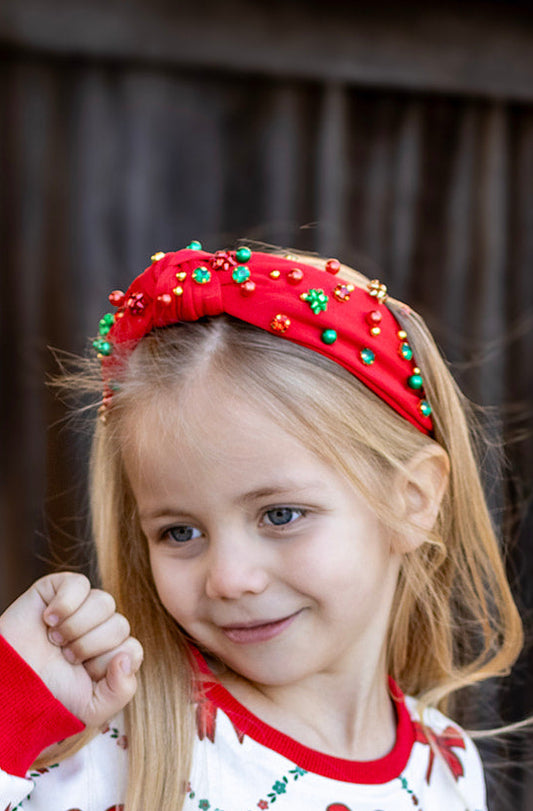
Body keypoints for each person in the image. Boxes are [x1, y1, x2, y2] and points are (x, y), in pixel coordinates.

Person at [0, 243, 523, 811]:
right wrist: (10, 710)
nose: (229, 579)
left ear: (413, 500)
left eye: (281, 515)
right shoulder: (101, 751)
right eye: (179, 532)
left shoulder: (448, 766)